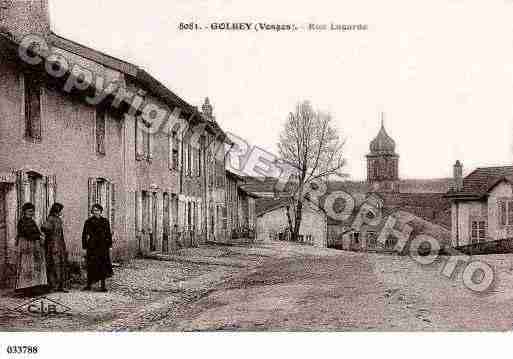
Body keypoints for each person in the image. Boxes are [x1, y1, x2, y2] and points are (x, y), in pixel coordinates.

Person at [15, 203, 48, 295]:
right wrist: (39, 236)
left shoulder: (32, 221)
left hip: (33, 246)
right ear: (24, 211)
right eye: (29, 211)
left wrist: (40, 235)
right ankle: (26, 288)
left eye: (32, 211)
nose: (31, 213)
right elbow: (27, 233)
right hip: (26, 246)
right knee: (26, 267)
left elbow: (36, 231)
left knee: (34, 267)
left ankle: (33, 287)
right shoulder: (22, 222)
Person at [81, 204, 113, 292]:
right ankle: (88, 284)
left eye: (97, 210)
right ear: (92, 211)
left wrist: (109, 245)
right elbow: (84, 234)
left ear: (101, 211)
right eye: (94, 210)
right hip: (92, 246)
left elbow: (108, 234)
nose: (96, 212)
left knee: (103, 265)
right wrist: (84, 246)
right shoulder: (88, 221)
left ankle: (103, 286)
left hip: (103, 246)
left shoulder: (105, 221)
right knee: (91, 265)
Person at [41, 203, 68, 293]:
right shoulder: (51, 218)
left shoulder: (58, 219)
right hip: (52, 245)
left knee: (61, 264)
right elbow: (44, 228)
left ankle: (61, 285)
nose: (62, 212)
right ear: (57, 210)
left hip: (59, 244)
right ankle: (53, 286)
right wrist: (50, 236)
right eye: (60, 210)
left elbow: (61, 234)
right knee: (53, 264)